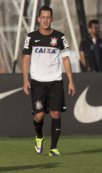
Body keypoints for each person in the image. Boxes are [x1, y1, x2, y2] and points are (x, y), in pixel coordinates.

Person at [22, 5, 76, 156]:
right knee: (38, 116)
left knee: (56, 114)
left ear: (52, 19)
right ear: (39, 19)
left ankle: (53, 148)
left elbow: (66, 59)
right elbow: (26, 59)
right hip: (38, 82)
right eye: (43, 17)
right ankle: (39, 136)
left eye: (48, 18)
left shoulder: (60, 37)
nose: (45, 20)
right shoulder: (31, 37)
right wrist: (25, 79)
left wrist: (71, 81)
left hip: (55, 81)